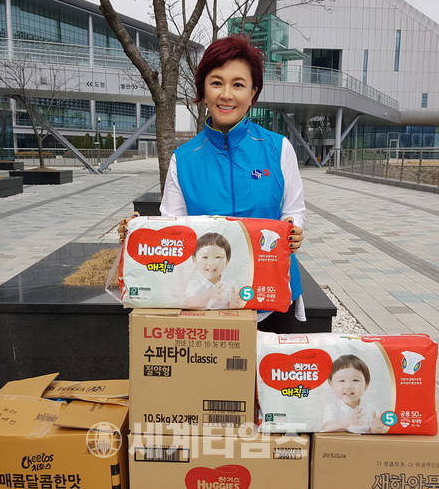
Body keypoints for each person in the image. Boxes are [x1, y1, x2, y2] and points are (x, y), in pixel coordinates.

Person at [119, 34, 305, 333]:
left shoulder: (278, 148)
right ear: (203, 90)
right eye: (216, 83)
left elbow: (293, 210)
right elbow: (173, 229)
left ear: (253, 93)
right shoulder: (184, 158)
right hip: (206, 302)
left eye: (238, 84)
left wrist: (294, 229)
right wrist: (140, 232)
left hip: (272, 295)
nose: (226, 95)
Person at [320, 354, 386, 433]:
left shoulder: (371, 409)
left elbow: (377, 436)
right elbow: (326, 429)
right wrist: (347, 421)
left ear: (366, 384)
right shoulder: (332, 408)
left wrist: (375, 430)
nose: (348, 386)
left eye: (355, 380)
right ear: (331, 384)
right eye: (341, 381)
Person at [184, 232, 244, 310]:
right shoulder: (194, 284)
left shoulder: (230, 285)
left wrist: (234, 305)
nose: (211, 263)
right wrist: (208, 295)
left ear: (227, 261)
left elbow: (235, 310)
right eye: (205, 257)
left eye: (218, 257)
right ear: (194, 259)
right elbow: (188, 304)